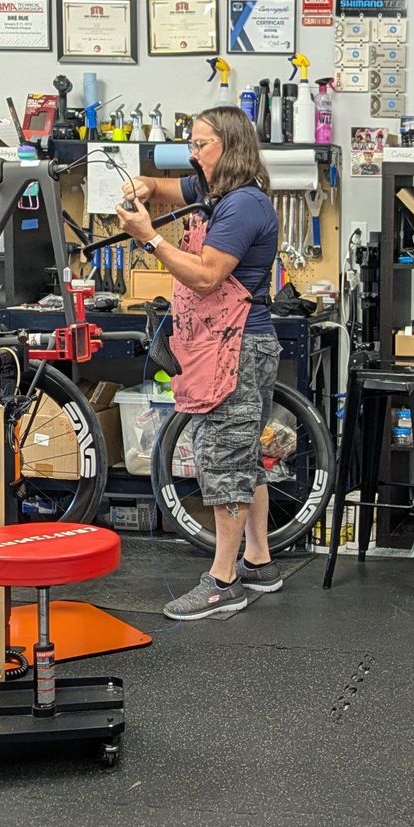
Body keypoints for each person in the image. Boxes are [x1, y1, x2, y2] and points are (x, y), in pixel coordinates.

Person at [116, 106, 283, 621]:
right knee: (243, 456)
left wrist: (150, 238)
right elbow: (165, 189)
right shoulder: (214, 192)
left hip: (238, 347)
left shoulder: (242, 206)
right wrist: (143, 187)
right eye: (191, 142)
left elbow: (208, 277)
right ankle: (257, 560)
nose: (193, 151)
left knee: (225, 459)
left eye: (202, 143)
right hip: (226, 343)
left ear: (229, 148)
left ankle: (223, 581)